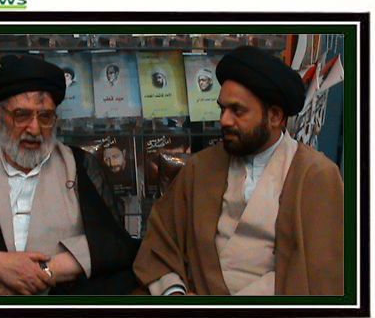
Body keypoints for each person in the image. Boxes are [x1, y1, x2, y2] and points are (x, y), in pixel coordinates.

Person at [133, 46, 343, 296]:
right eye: (222, 109)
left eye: (238, 111)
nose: (224, 120)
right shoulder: (200, 168)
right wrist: (176, 295)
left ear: (275, 116)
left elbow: (321, 275)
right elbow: (160, 243)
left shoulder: (316, 176)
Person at [0, 55, 138, 295]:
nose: (35, 129)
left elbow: (115, 242)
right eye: (21, 115)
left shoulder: (82, 167)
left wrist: (47, 272)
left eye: (45, 117)